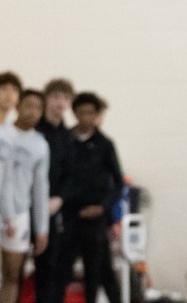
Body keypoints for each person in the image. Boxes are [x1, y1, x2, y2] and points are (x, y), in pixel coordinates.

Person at [58, 92, 123, 303]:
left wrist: (103, 208)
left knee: (95, 273)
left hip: (94, 219)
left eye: (90, 113)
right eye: (81, 112)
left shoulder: (105, 144)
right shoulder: (64, 140)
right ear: (74, 113)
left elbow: (118, 182)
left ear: (96, 115)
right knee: (62, 271)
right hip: (68, 216)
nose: (86, 117)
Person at [0, 90, 50, 303]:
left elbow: (40, 188)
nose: (33, 112)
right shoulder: (3, 134)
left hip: (20, 215)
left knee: (12, 276)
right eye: (28, 105)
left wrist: (42, 228)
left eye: (38, 108)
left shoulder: (40, 145)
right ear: (18, 106)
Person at [32, 79, 73, 303]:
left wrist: (60, 198)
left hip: (55, 209)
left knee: (54, 269)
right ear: (46, 98)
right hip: (29, 207)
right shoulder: (34, 132)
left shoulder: (68, 137)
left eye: (64, 98)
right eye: (55, 97)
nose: (59, 102)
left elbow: (72, 175)